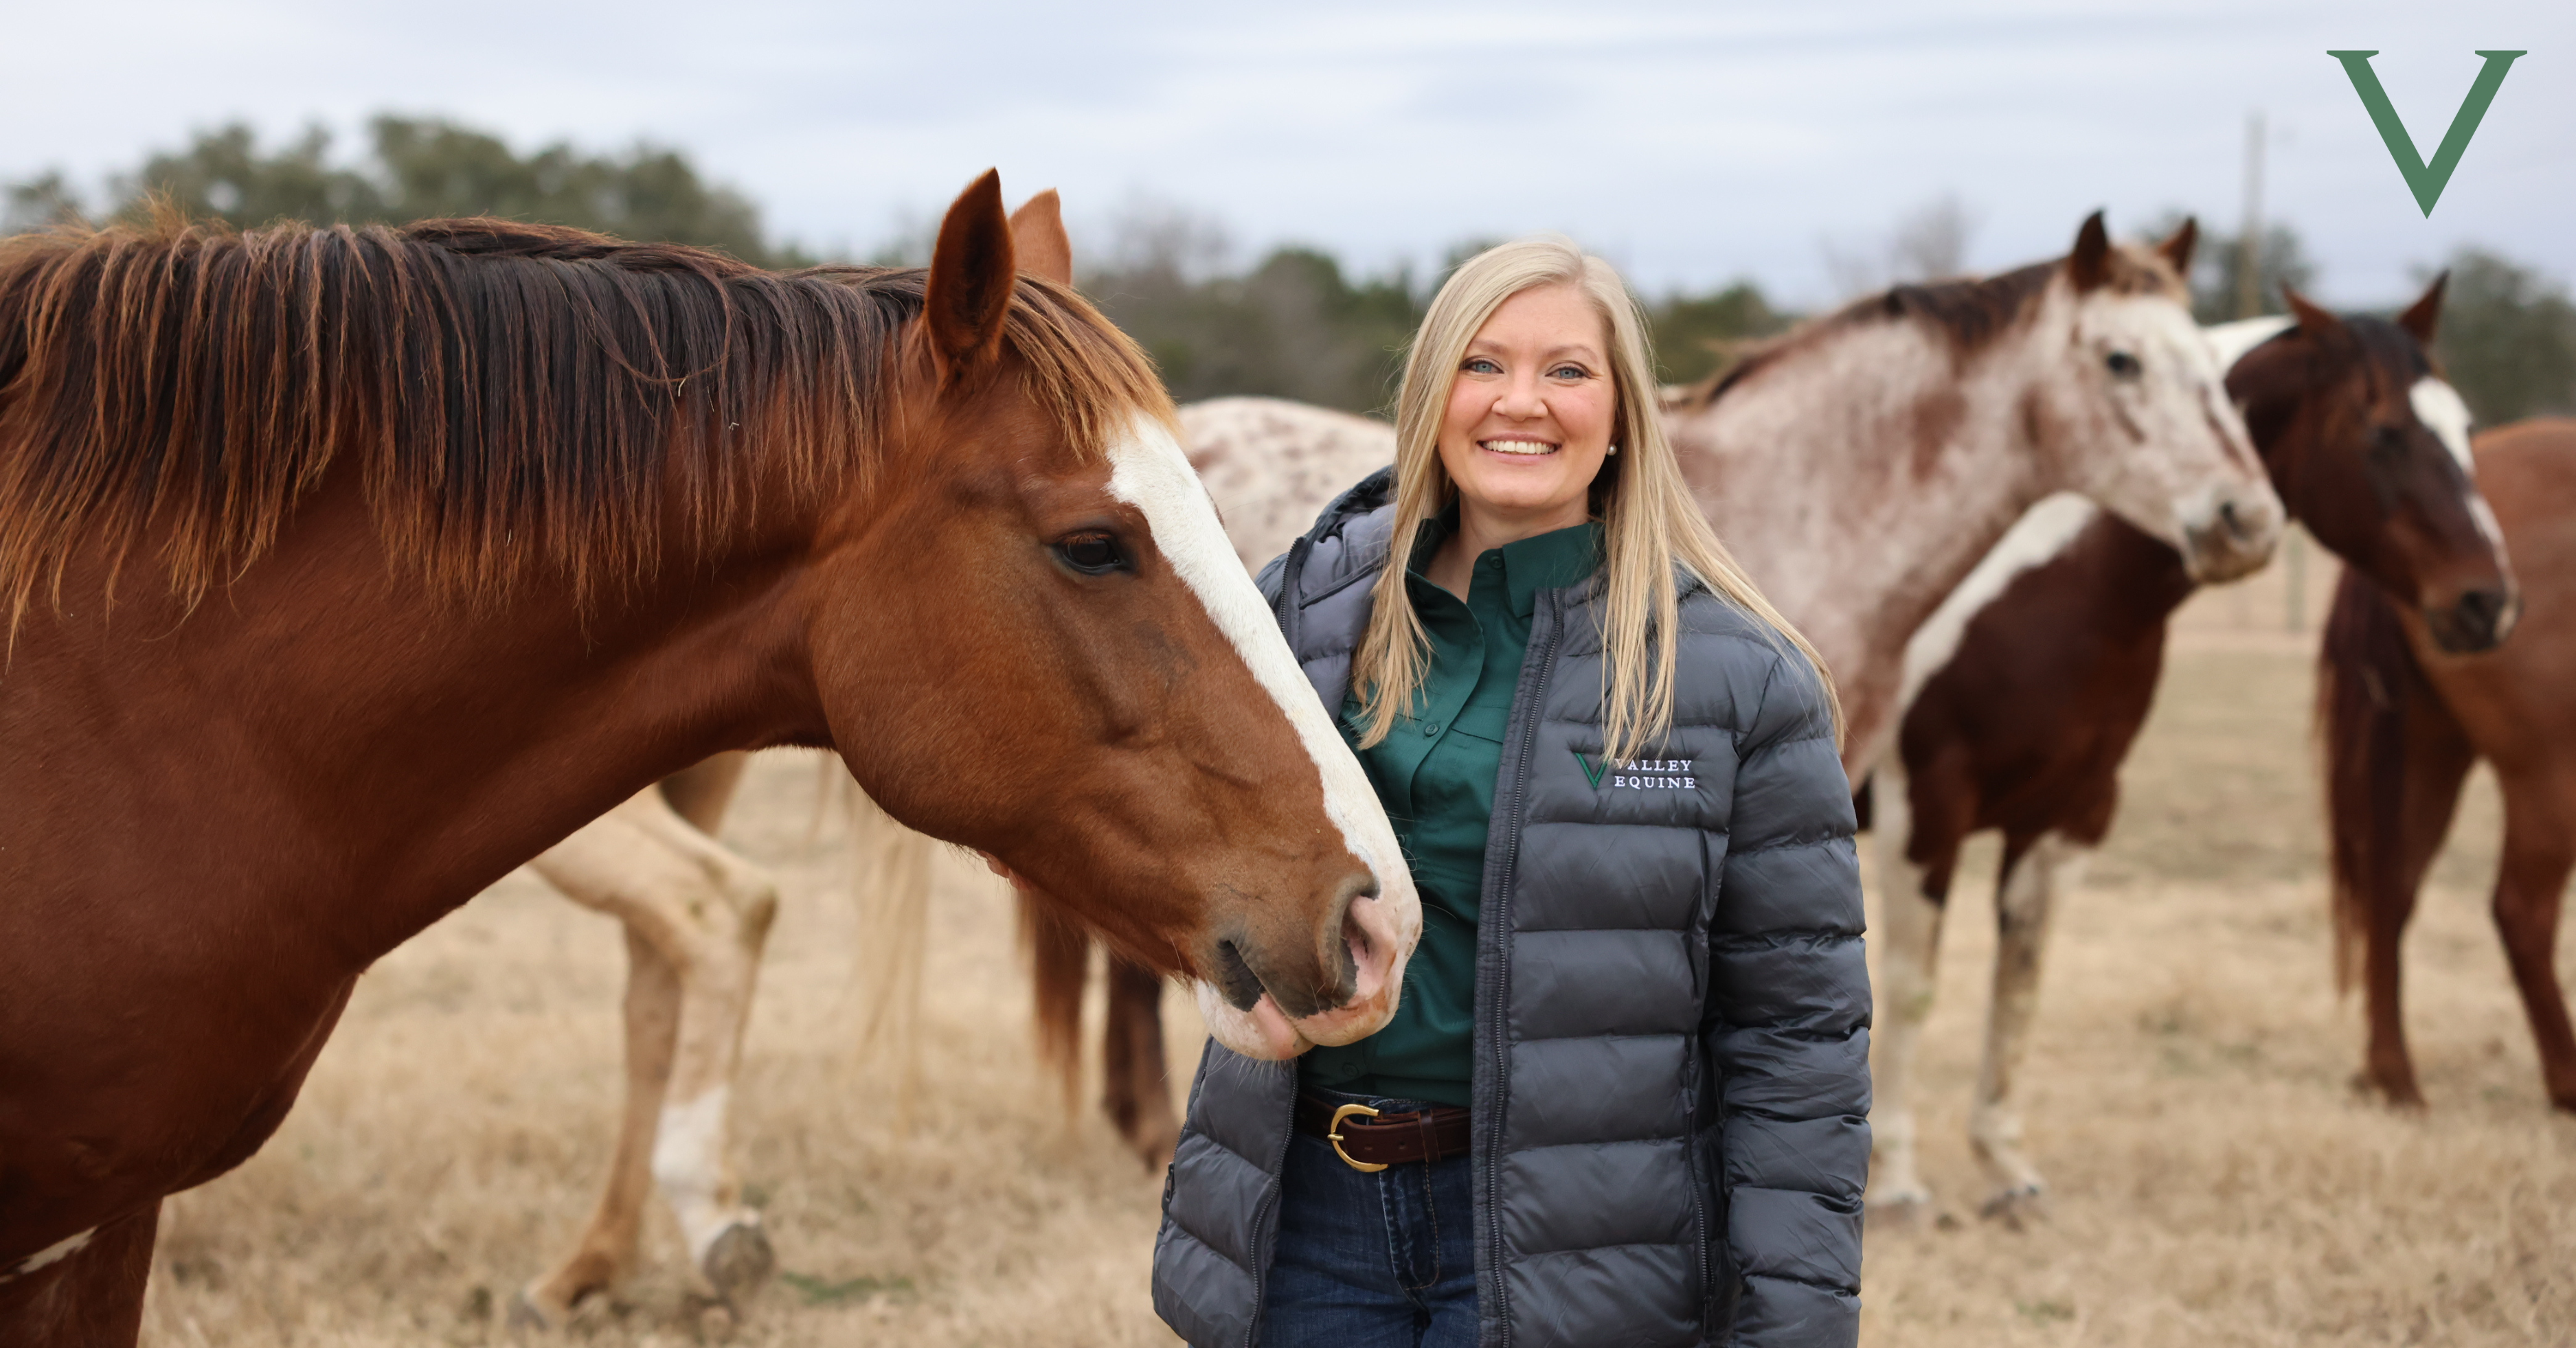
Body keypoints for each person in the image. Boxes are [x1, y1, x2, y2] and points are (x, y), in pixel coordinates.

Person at [1151, 237, 1868, 1348]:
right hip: (1309, 1223)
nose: (1519, 402)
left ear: (1625, 410)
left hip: (1578, 1254)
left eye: (1567, 371)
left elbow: (1798, 1045)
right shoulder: (1305, 609)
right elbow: (1167, 829)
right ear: (1431, 396)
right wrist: (1221, 974)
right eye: (1482, 366)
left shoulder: (1738, 680)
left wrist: (1793, 1324)